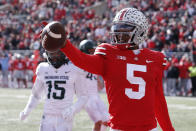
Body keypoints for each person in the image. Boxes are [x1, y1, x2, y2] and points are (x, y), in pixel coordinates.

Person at [44, 8, 175, 131]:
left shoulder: (155, 58)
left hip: (148, 128)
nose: (119, 33)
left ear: (140, 31)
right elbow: (83, 60)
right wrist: (65, 45)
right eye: (117, 28)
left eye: (124, 29)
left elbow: (158, 101)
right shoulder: (109, 54)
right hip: (119, 127)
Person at [19, 50, 88, 131]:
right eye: (52, 53)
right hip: (47, 115)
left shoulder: (73, 69)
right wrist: (27, 110)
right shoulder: (43, 68)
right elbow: (36, 95)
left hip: (64, 117)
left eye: (57, 53)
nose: (55, 57)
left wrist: (73, 110)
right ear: (47, 54)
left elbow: (83, 96)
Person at [79, 39, 109, 131]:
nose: (93, 52)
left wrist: (99, 82)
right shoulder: (78, 64)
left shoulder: (93, 62)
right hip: (87, 97)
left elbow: (99, 84)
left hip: (95, 96)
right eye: (91, 50)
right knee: (99, 121)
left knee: (107, 120)